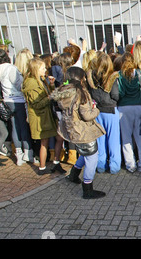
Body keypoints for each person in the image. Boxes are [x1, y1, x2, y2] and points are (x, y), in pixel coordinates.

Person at [51, 66, 106, 199]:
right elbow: (87, 115)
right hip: (83, 131)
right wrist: (96, 109)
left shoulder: (65, 91)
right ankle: (87, 189)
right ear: (81, 79)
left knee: (85, 153)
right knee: (92, 158)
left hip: (72, 130)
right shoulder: (81, 92)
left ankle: (73, 175)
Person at [0, 49, 33, 166]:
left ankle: (18, 155)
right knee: (23, 127)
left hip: (7, 99)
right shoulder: (10, 68)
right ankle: (28, 154)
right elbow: (18, 85)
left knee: (14, 127)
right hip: (17, 99)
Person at [21, 58, 65, 175]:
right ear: (36, 69)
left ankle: (56, 162)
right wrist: (49, 97)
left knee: (59, 137)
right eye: (43, 68)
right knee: (44, 142)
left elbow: (47, 94)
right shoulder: (31, 83)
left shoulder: (40, 79)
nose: (45, 70)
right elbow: (37, 104)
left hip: (48, 115)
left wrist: (51, 85)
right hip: (41, 117)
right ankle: (42, 167)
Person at [86, 52, 121, 174]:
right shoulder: (112, 77)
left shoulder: (91, 77)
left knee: (100, 140)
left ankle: (100, 166)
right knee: (114, 140)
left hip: (97, 111)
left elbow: (90, 94)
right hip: (111, 110)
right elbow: (116, 95)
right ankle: (114, 166)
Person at [116, 52, 141, 173]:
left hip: (124, 107)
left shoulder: (119, 75)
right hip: (138, 106)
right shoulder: (140, 74)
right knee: (140, 136)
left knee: (126, 137)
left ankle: (130, 164)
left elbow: (120, 93)